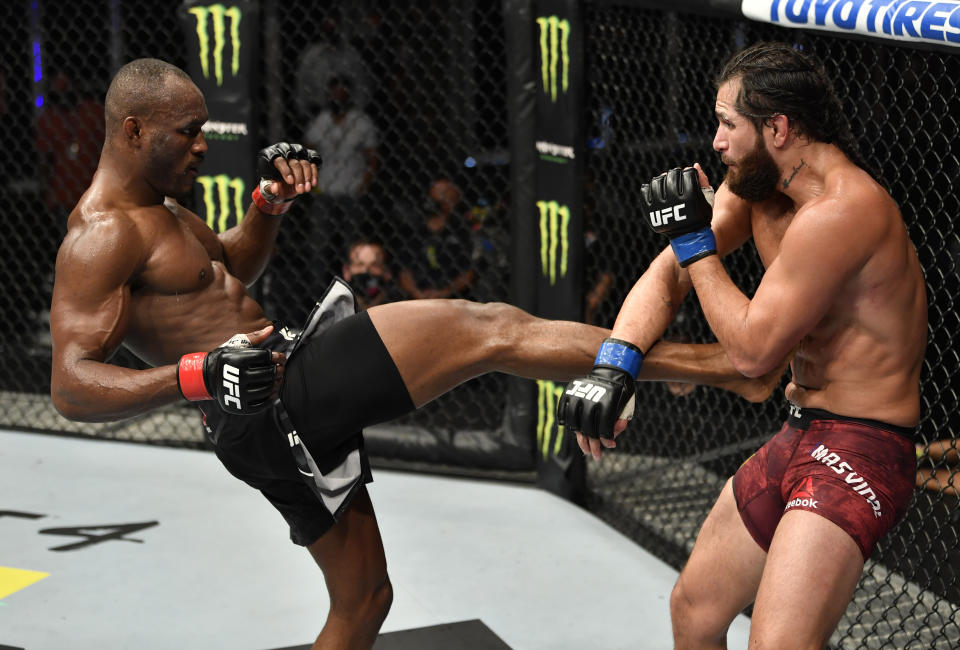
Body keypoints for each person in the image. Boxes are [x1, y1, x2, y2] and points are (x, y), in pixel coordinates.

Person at [50, 58, 785, 650]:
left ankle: (718, 372)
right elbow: (71, 387)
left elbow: (230, 273)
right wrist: (197, 375)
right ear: (134, 129)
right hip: (272, 404)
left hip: (274, 408)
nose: (204, 145)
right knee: (489, 327)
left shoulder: (164, 206)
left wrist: (266, 207)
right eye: (189, 132)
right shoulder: (102, 234)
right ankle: (721, 369)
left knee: (367, 602)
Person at [559, 42, 927, 649]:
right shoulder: (758, 187)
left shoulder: (842, 211)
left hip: (862, 449)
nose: (716, 142)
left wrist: (696, 243)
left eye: (729, 123)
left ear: (777, 128)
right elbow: (666, 273)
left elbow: (754, 354)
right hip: (801, 429)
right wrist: (614, 363)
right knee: (695, 610)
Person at [396, 177, 476, 300]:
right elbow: (404, 270)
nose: (440, 198)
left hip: (455, 298)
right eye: (439, 194)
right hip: (418, 296)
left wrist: (445, 292)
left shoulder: (464, 229)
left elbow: (469, 272)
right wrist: (417, 293)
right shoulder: (414, 230)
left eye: (446, 194)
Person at [341, 236, 400, 310]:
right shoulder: (335, 313)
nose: (366, 271)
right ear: (346, 271)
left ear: (387, 272)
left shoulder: (399, 310)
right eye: (359, 265)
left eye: (375, 265)